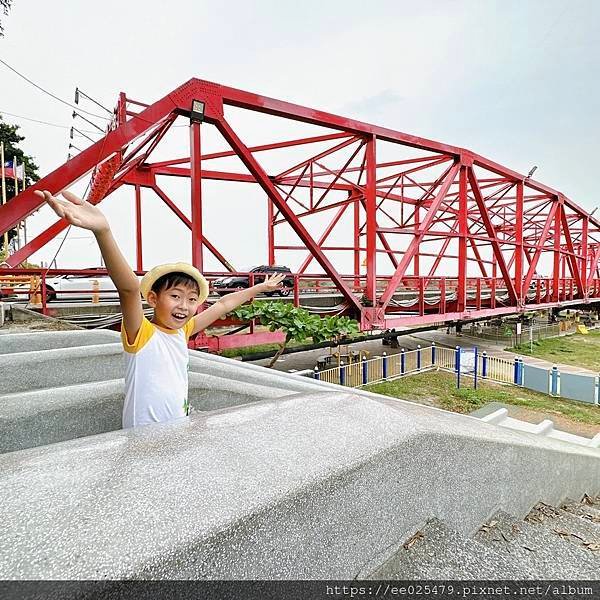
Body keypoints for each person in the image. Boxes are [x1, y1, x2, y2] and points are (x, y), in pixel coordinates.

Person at [35, 189, 286, 428]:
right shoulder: (141, 334)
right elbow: (129, 289)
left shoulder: (182, 330)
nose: (184, 306)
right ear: (153, 299)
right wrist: (104, 232)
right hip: (143, 437)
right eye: (175, 296)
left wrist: (258, 289)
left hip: (176, 430)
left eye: (191, 299)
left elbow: (223, 304)